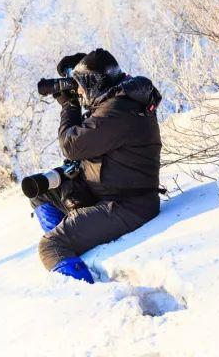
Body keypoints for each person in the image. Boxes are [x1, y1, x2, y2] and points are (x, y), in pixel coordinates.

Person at [30, 48, 163, 283]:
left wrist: (69, 106)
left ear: (94, 84)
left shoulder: (117, 112)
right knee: (41, 192)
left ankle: (85, 297)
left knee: (52, 246)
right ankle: (76, 242)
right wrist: (78, 69)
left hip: (128, 205)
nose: (78, 92)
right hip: (109, 191)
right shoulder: (119, 101)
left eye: (80, 86)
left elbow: (71, 145)